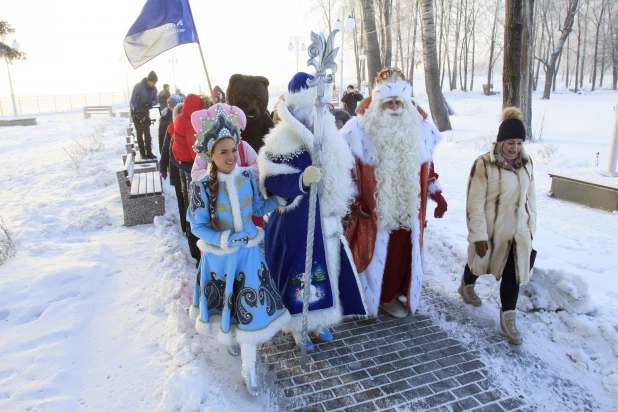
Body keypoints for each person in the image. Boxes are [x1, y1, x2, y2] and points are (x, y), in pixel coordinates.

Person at [258, 72, 367, 350]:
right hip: (294, 222)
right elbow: (269, 180)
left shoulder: (327, 134)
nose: (319, 112)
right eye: (313, 105)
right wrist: (300, 181)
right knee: (299, 272)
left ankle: (318, 321)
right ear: (300, 105)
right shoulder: (281, 139)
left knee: (324, 269)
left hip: (324, 219)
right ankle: (298, 327)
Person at [187, 104, 290, 396]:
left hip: (247, 257)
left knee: (250, 312)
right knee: (228, 313)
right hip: (220, 261)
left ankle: (249, 367)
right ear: (210, 155)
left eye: (234, 150)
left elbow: (257, 207)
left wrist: (278, 201)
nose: (231, 157)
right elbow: (198, 225)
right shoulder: (202, 187)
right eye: (223, 152)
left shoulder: (246, 178)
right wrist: (221, 240)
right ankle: (229, 339)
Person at [341, 68, 448, 319]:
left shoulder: (420, 129)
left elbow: (427, 166)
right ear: (378, 101)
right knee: (376, 254)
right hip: (374, 209)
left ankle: (394, 293)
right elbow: (347, 170)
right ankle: (378, 297)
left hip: (409, 206)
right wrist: (354, 201)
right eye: (388, 101)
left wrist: (437, 194)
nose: (394, 106)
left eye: (399, 101)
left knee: (403, 253)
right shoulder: (359, 130)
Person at [459, 107, 536, 345]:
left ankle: (508, 319)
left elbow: (530, 197)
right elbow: (474, 202)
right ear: (500, 140)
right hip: (492, 231)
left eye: (519, 142)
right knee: (479, 262)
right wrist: (478, 235)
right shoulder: (484, 164)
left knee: (513, 274)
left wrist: (531, 225)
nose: (514, 148)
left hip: (519, 232)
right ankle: (466, 285)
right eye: (510, 142)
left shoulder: (527, 163)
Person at [172, 93, 205, 262]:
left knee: (191, 204)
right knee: (197, 207)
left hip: (182, 163)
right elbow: (196, 151)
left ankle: (195, 246)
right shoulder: (191, 122)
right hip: (191, 167)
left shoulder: (179, 118)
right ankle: (197, 251)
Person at [159, 96, 187, 233]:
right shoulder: (172, 129)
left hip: (183, 171)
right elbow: (165, 150)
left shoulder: (178, 128)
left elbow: (165, 150)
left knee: (186, 200)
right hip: (179, 171)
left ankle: (188, 227)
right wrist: (163, 167)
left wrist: (163, 168)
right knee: (183, 200)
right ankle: (185, 227)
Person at [130, 70, 158, 159]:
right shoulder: (138, 87)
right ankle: (142, 152)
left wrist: (150, 103)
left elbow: (156, 100)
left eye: (156, 82)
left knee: (147, 132)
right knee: (139, 132)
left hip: (146, 111)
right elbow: (133, 101)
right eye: (153, 82)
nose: (155, 84)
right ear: (148, 80)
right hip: (136, 112)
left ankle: (149, 152)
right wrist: (137, 111)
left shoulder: (154, 89)